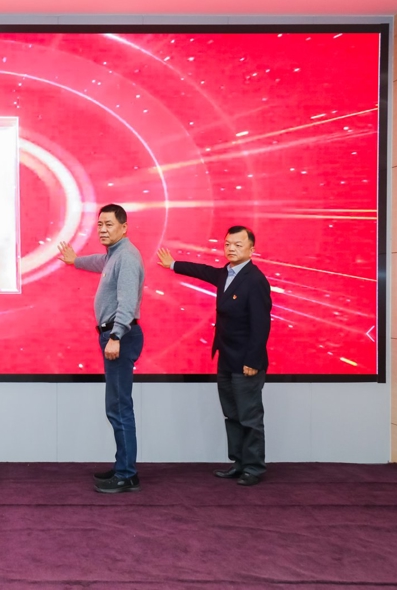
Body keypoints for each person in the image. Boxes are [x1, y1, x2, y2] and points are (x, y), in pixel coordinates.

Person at [156, 226, 272, 486]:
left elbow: (261, 325)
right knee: (232, 415)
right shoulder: (226, 273)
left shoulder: (255, 280)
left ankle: (254, 468)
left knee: (249, 417)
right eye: (228, 244)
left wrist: (252, 361)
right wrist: (173, 264)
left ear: (251, 249)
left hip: (246, 363)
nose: (231, 248)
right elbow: (203, 271)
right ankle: (239, 463)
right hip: (226, 358)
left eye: (238, 244)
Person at [58, 204, 145, 494]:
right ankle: (122, 466)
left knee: (119, 406)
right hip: (114, 336)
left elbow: (127, 302)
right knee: (116, 405)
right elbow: (99, 262)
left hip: (120, 337)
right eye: (100, 225)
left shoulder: (127, 257)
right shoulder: (114, 255)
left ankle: (127, 475)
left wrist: (116, 335)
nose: (103, 230)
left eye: (109, 224)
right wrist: (75, 260)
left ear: (124, 227)